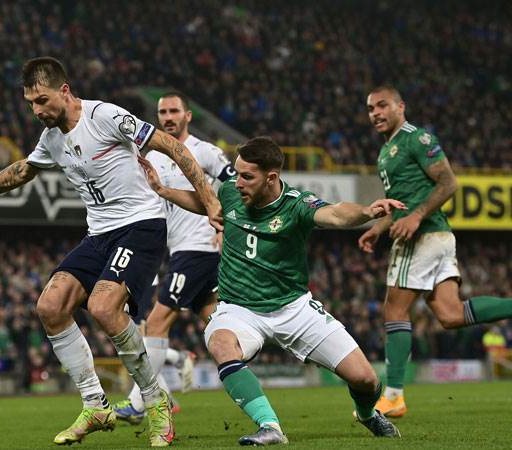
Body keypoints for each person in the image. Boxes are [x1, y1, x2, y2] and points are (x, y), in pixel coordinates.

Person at [0, 56, 221, 447]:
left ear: (64, 90)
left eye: (41, 100)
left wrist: (209, 201)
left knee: (103, 307)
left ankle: (155, 399)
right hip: (99, 235)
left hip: (142, 225)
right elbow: (23, 171)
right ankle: (95, 404)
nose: (37, 110)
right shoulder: (51, 139)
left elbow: (173, 148)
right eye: (30, 104)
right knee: (50, 306)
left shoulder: (105, 116)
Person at [139, 136, 403, 445]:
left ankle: (368, 414)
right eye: (237, 173)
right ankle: (270, 426)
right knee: (221, 343)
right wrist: (163, 190)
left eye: (247, 176)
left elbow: (335, 213)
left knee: (366, 380)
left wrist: (368, 213)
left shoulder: (296, 205)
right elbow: (207, 201)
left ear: (271, 177)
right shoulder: (232, 193)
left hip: (294, 308)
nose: (237, 182)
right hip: (239, 309)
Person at [361, 85, 512, 417]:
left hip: (424, 235)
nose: (375, 113)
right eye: (371, 109)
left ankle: (394, 396)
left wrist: (416, 217)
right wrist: (378, 227)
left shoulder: (417, 139)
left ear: (401, 106)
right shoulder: (387, 151)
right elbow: (401, 204)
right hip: (436, 236)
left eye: (382, 105)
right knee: (451, 315)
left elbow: (449, 183)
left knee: (394, 310)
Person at [114, 92, 234, 424]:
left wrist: (225, 227)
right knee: (218, 324)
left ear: (188, 116)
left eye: (173, 111)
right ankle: (252, 370)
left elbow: (235, 185)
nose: (167, 117)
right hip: (178, 249)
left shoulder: (205, 152)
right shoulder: (151, 154)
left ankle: (142, 402)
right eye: (162, 112)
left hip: (199, 249)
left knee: (156, 321)